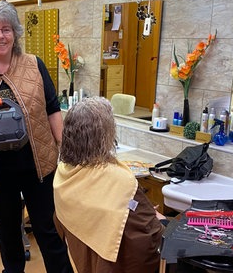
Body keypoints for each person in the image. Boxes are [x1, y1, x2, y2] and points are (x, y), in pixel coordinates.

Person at [0, 0, 72, 273]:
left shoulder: (34, 64)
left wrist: (65, 150)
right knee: (8, 232)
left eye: (7, 29)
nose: (0, 35)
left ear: (15, 33)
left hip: (39, 163)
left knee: (49, 231)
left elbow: (52, 108)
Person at [53, 96, 167, 273]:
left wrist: (139, 210)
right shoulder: (119, 181)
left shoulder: (64, 172)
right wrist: (161, 220)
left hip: (82, 259)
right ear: (105, 135)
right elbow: (148, 237)